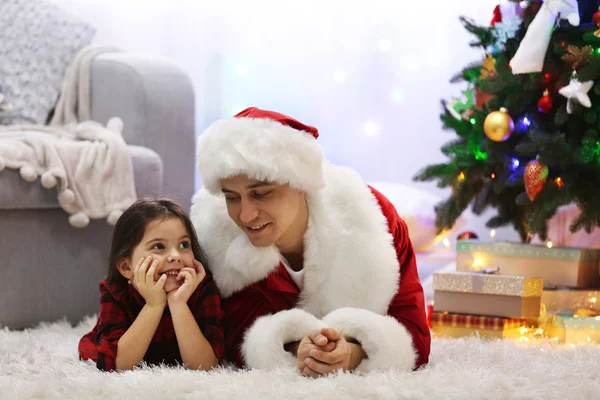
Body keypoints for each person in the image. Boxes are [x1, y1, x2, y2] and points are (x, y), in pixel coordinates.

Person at [191, 107, 431, 376]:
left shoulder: (371, 217)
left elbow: (414, 332)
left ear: (300, 183)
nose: (245, 215)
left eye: (260, 194)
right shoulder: (213, 240)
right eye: (232, 197)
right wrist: (297, 346)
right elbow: (226, 337)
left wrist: (353, 353)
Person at [79, 198, 224, 371]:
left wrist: (178, 303)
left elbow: (205, 366)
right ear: (126, 267)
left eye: (184, 244)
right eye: (158, 246)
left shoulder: (202, 286)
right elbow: (118, 365)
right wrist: (154, 304)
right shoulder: (117, 291)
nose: (175, 256)